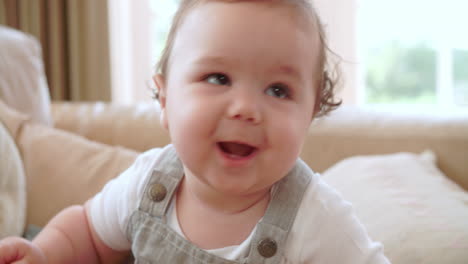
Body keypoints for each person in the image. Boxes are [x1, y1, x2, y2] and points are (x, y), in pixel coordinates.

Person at [0, 0, 391, 263]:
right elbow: (87, 232)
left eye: (278, 90)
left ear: (309, 115)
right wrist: (44, 254)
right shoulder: (149, 184)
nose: (246, 109)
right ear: (166, 100)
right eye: (218, 78)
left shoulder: (315, 216)